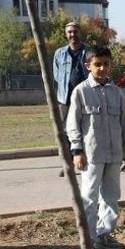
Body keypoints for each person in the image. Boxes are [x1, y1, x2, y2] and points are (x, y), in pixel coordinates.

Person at [66, 47, 125, 249]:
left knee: (111, 197)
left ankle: (104, 235)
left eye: (106, 64)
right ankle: (87, 242)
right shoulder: (81, 91)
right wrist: (77, 150)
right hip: (91, 155)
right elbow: (72, 124)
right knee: (89, 198)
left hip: (113, 154)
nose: (102, 68)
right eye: (98, 64)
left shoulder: (116, 93)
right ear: (88, 66)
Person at [53, 21, 90, 177]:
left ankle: (85, 162)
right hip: (65, 100)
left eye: (75, 31)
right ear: (66, 34)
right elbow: (56, 75)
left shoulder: (88, 52)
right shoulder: (59, 53)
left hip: (86, 98)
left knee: (86, 130)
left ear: (80, 33)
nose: (72, 34)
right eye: (69, 32)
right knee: (65, 133)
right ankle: (68, 165)